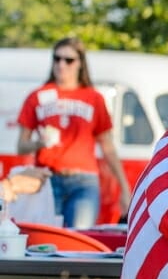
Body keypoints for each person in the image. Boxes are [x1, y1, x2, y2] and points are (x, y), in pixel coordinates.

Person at [15, 37, 132, 229]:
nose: (62, 65)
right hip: (46, 179)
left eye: (68, 60)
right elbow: (21, 146)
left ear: (80, 63)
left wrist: (125, 188)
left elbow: (107, 146)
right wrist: (40, 143)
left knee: (79, 240)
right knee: (47, 241)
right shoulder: (36, 96)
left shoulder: (93, 98)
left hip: (83, 182)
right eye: (57, 58)